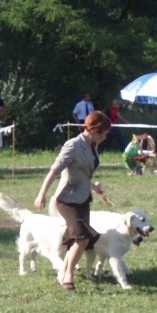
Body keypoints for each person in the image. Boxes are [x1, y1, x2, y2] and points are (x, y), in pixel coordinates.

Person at [34, 111, 111, 290]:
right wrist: (41, 194)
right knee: (83, 237)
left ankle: (63, 272)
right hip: (66, 199)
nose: (105, 137)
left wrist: (93, 187)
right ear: (94, 130)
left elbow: (82, 174)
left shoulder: (92, 145)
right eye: (104, 133)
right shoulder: (73, 145)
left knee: (77, 239)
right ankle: (68, 273)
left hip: (83, 198)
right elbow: (54, 171)